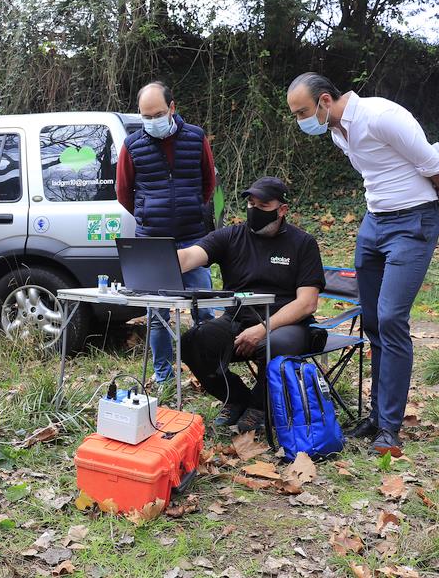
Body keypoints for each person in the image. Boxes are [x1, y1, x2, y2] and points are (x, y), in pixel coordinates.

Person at [286, 73, 439, 455]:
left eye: (302, 111)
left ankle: (390, 427)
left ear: (324, 100)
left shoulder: (381, 116)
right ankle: (376, 416)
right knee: (371, 319)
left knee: (390, 319)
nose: (300, 120)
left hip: (413, 222)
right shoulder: (338, 131)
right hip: (374, 224)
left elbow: (435, 165)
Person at [178, 177, 326, 434]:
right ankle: (236, 399)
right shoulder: (231, 236)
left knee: (274, 344)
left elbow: (307, 303)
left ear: (282, 210)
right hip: (236, 319)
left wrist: (263, 328)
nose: (254, 210)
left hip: (286, 323)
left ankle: (260, 407)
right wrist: (161, 259)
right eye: (251, 203)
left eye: (263, 205)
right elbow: (192, 255)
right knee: (192, 342)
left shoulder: (302, 243)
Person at [116, 81, 218, 384]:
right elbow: (124, 192)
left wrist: (190, 209)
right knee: (158, 316)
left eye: (157, 114)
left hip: (193, 239)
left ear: (172, 108)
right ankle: (163, 377)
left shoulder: (196, 138)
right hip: (153, 243)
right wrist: (149, 214)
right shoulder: (132, 145)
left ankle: (210, 372)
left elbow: (208, 183)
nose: (152, 121)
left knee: (205, 310)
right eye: (145, 116)